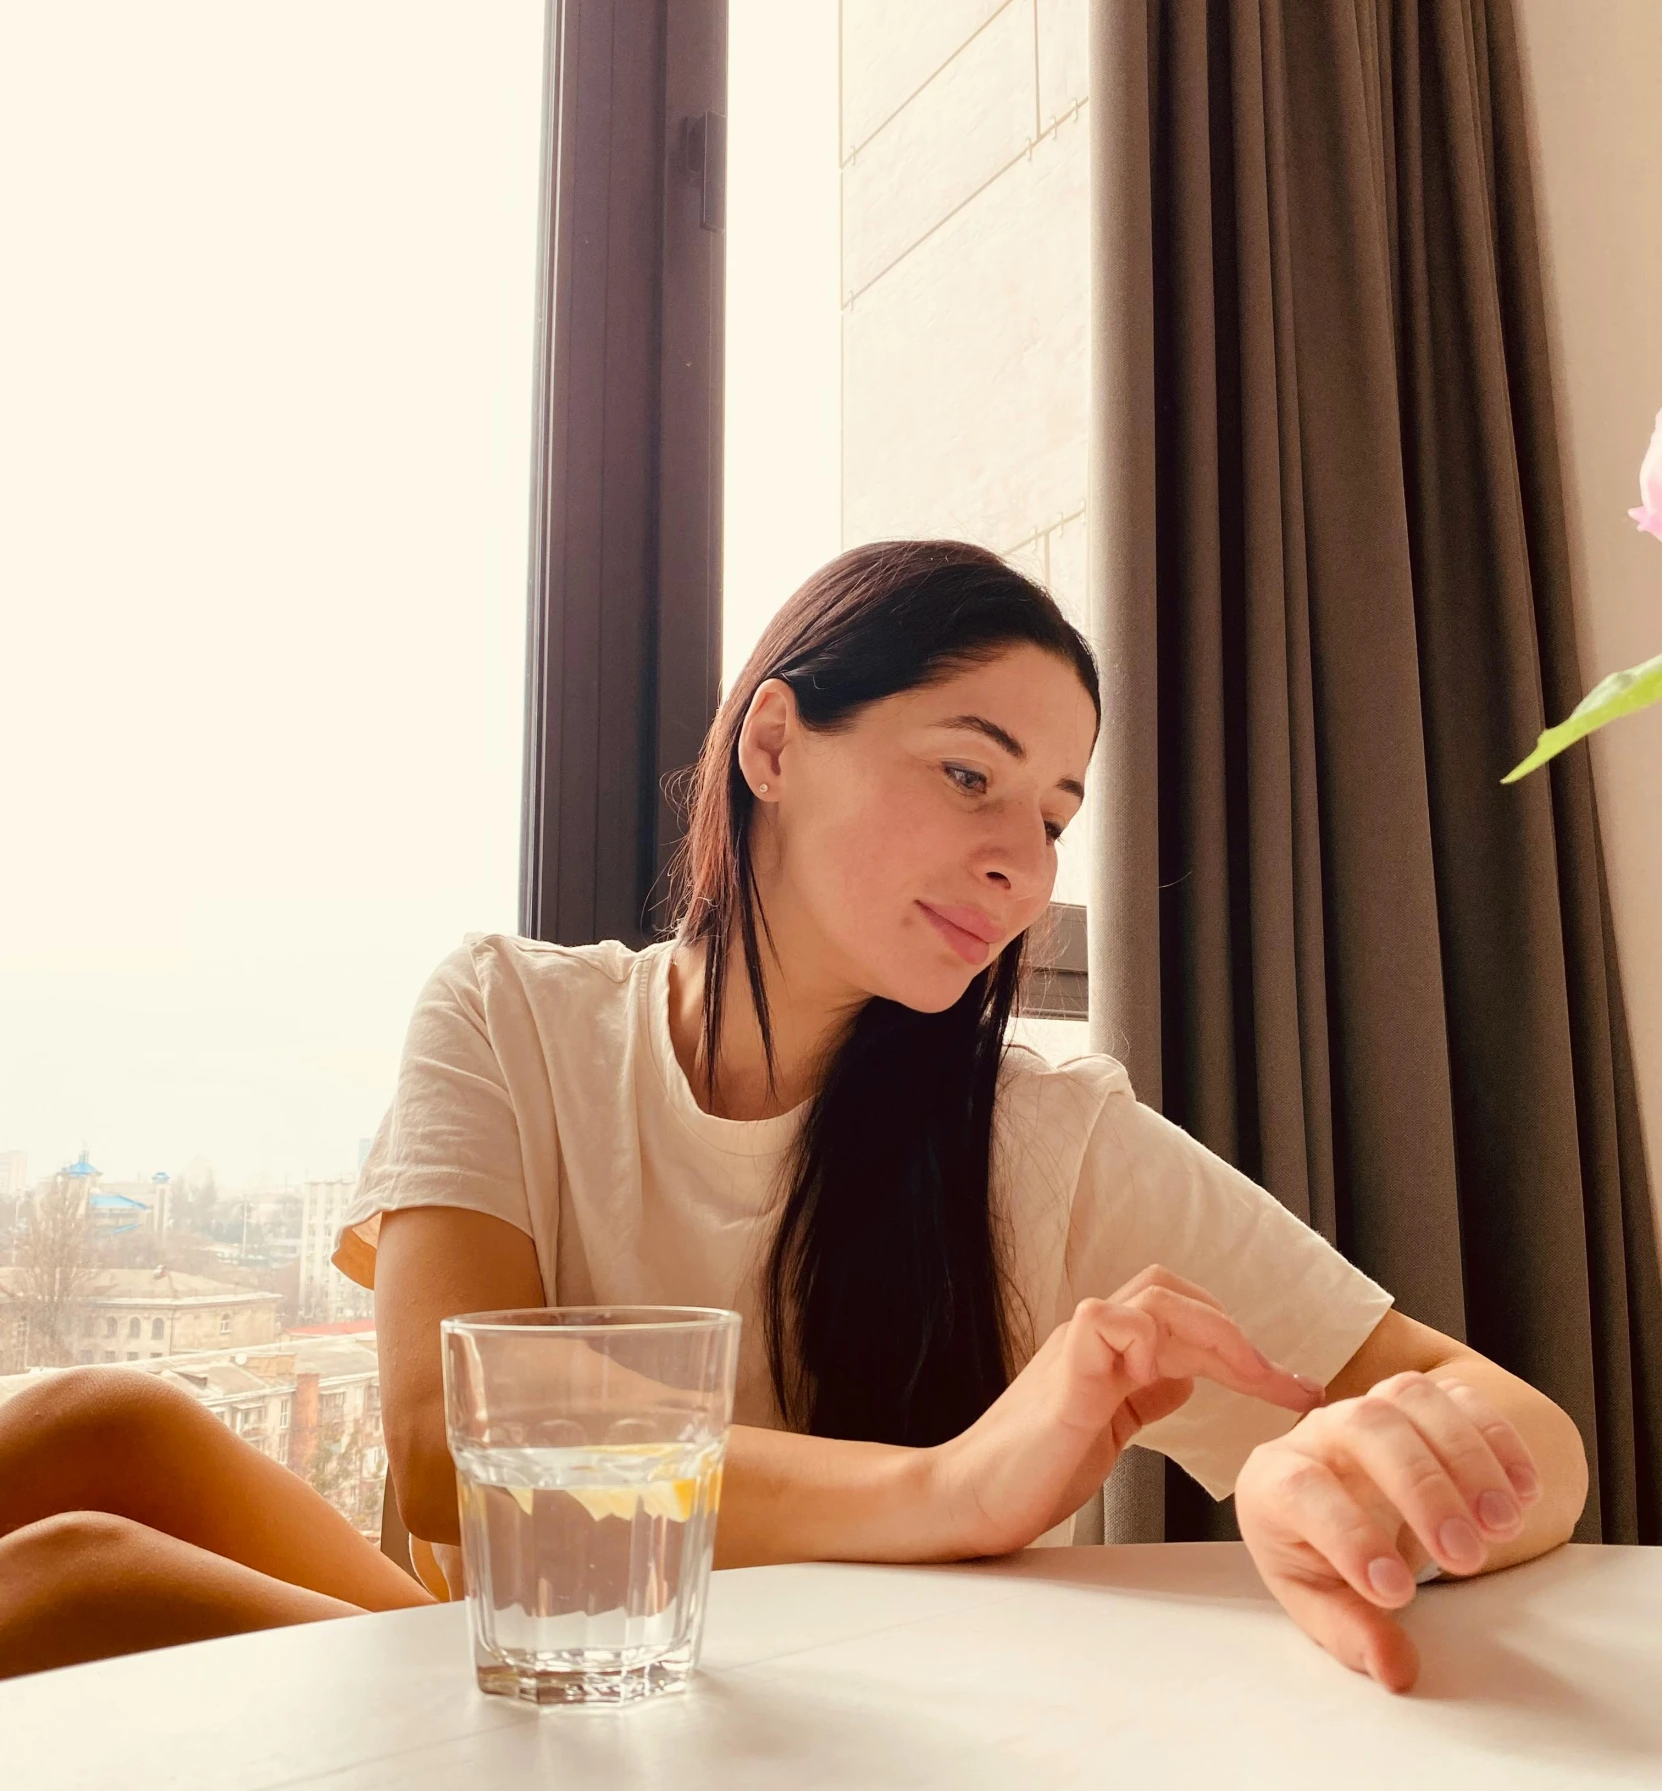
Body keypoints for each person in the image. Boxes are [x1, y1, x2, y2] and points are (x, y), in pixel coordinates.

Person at [0, 542, 1586, 1690]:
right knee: (96, 1422)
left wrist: (1383, 1466)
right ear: (772, 743)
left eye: (1050, 814)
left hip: (787, 1758)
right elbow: (443, 1461)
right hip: (511, 1678)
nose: (1020, 865)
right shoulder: (511, 1014)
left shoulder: (1042, 1141)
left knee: (73, 1584)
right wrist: (952, 1485)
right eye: (971, 777)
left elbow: (1526, 1432)